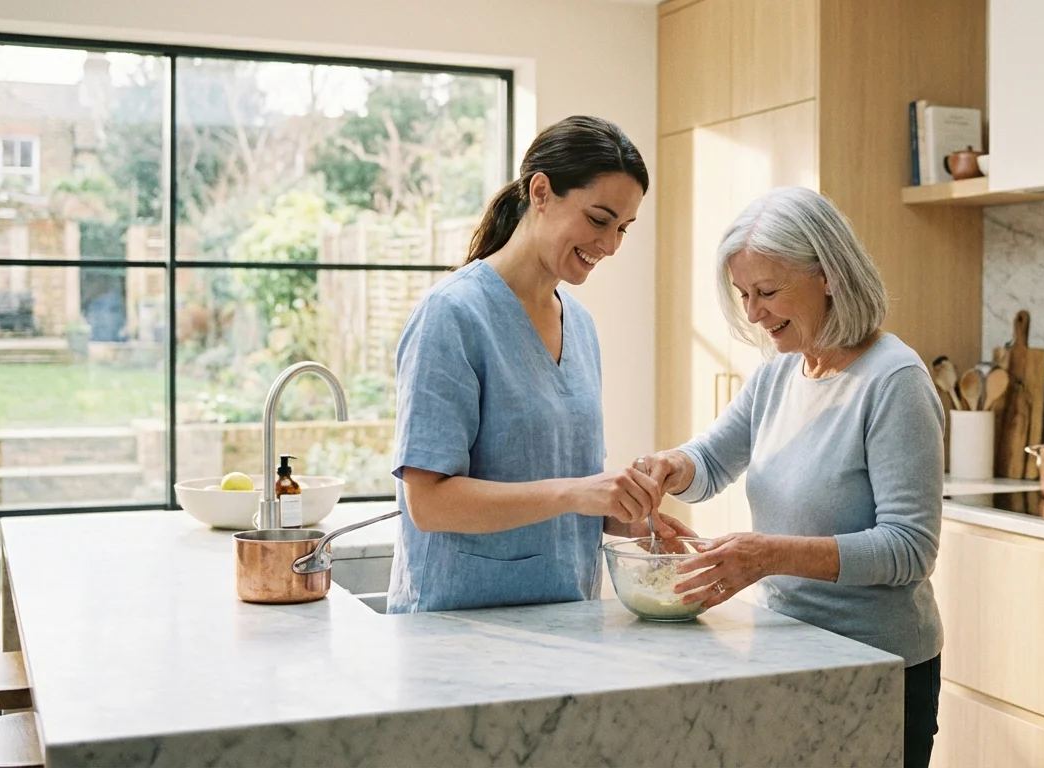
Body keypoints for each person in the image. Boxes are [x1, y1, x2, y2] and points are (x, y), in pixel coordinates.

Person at [638, 186, 945, 766]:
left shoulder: (894, 381)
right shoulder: (779, 372)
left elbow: (910, 549)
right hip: (789, 651)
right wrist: (670, 468)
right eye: (743, 294)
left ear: (828, 275)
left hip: (879, 669)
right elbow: (710, 461)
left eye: (768, 292)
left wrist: (768, 555)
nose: (753, 313)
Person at [387, 115, 692, 615]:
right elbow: (429, 503)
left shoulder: (583, 326)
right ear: (542, 191)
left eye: (623, 228)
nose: (611, 245)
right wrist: (577, 493)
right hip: (457, 631)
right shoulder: (452, 316)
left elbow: (557, 483)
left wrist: (624, 517)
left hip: (567, 622)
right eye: (599, 219)